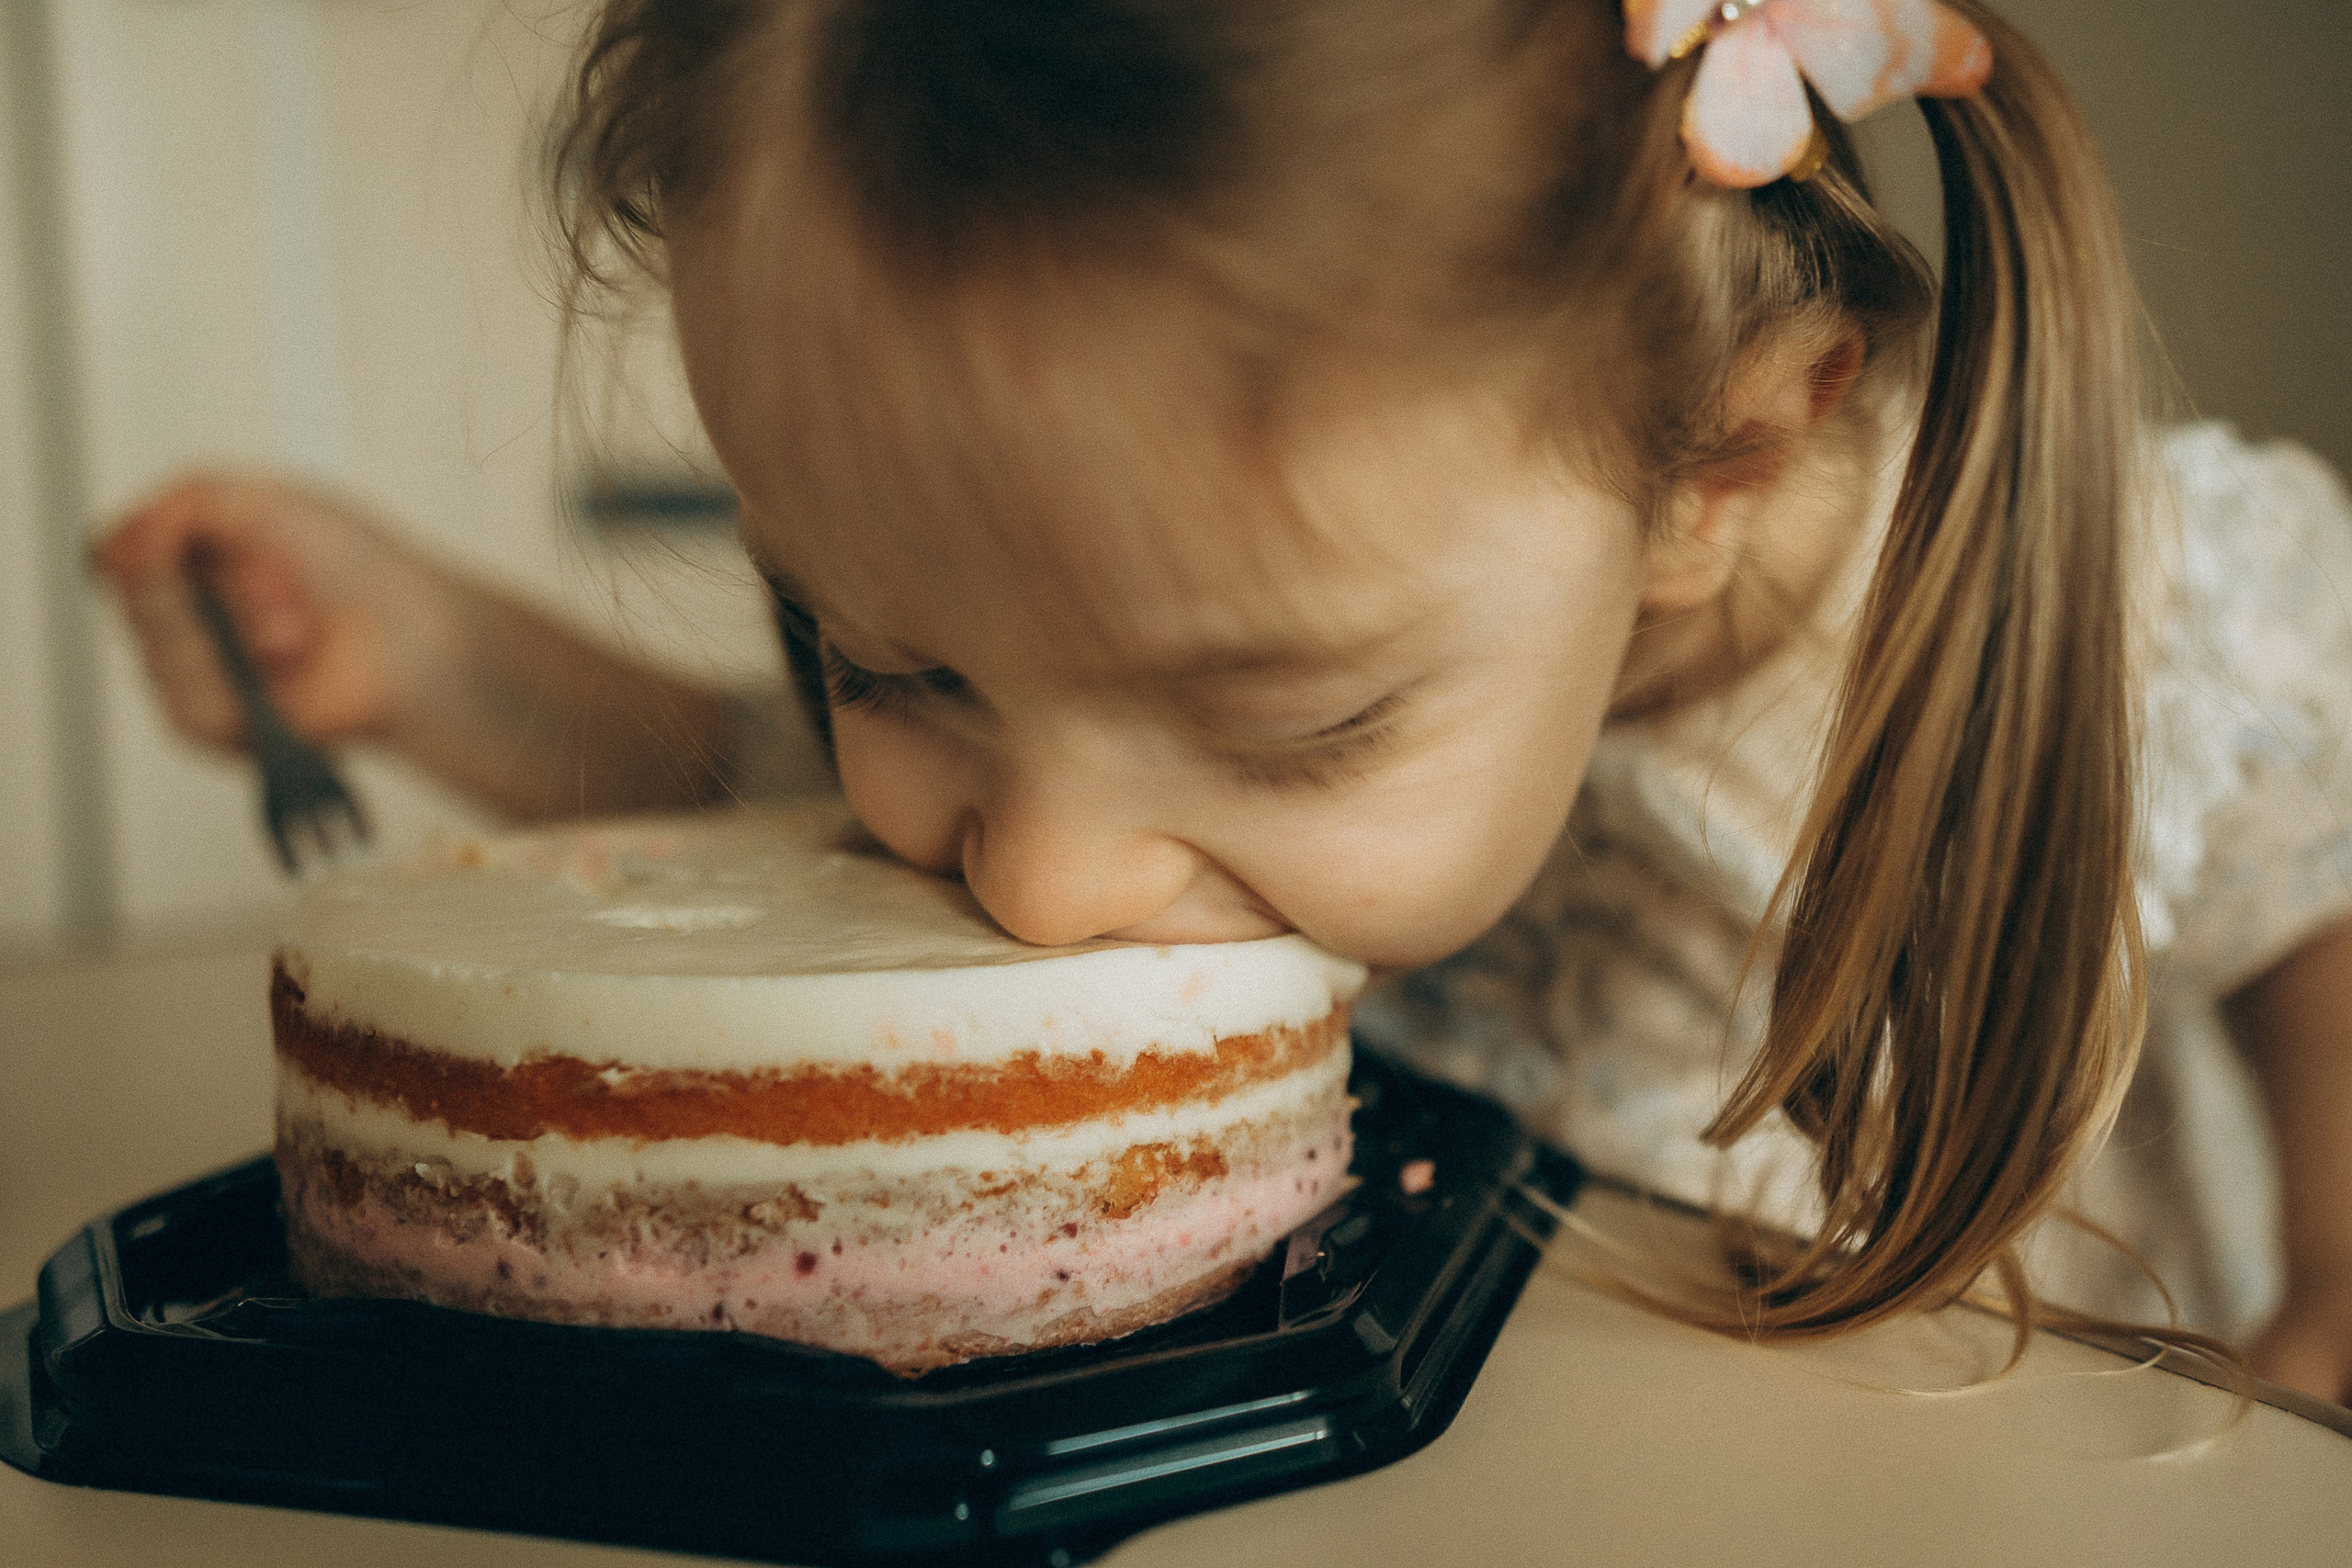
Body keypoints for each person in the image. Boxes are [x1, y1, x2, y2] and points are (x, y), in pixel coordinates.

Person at [89, 0, 2352, 1404]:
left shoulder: (2129, 609)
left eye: (1281, 725)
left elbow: (2320, 853)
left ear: (1718, 458)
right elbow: (780, 862)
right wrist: (444, 659)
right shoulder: (1135, 693)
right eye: (895, 658)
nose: (1044, 880)